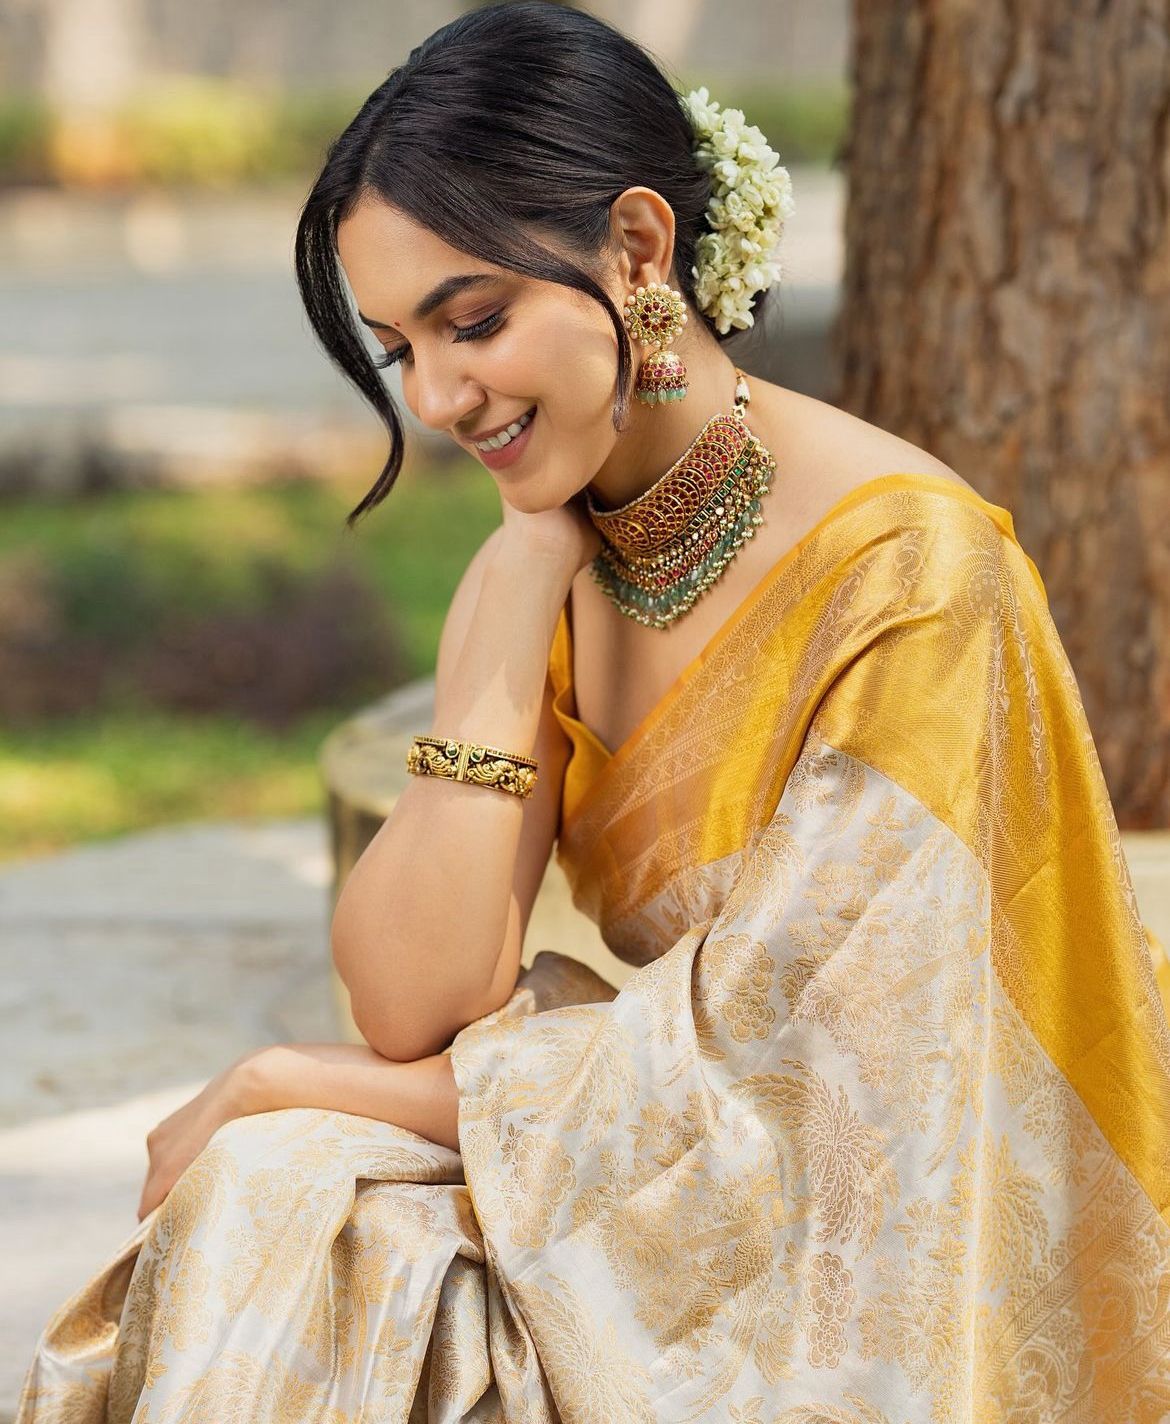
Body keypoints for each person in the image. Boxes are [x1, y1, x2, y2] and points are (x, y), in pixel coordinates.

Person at [16, 4, 1170, 1420]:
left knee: (282, 1169)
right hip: (667, 1175)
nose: (440, 396)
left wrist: (273, 1075)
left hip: (866, 1247)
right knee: (275, 1200)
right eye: (399, 351)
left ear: (637, 250)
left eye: (475, 320)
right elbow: (408, 1001)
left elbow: (806, 1090)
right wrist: (509, 607)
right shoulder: (557, 546)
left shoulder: (908, 580)